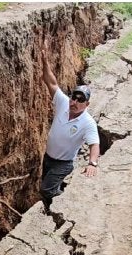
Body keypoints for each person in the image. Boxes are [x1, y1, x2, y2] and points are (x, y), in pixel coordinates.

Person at [38, 48, 100, 215]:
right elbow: (51, 82)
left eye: (81, 100)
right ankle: (49, 207)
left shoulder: (88, 123)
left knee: (46, 189)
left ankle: (60, 208)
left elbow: (94, 144)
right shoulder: (63, 102)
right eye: (74, 97)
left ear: (86, 104)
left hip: (64, 163)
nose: (75, 102)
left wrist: (92, 163)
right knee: (47, 186)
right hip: (48, 158)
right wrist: (45, 62)